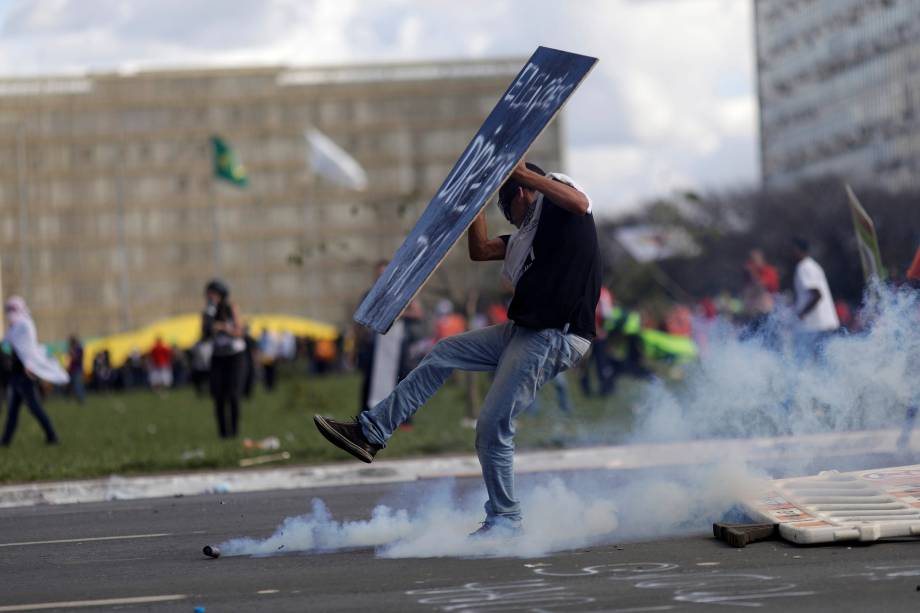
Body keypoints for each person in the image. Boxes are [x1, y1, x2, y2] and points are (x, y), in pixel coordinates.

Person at [314, 160, 599, 535]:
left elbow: (579, 203)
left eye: (504, 206)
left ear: (523, 193)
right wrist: (476, 203)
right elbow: (480, 250)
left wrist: (518, 172)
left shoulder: (560, 207)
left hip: (554, 336)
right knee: (444, 352)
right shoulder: (524, 239)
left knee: (492, 426)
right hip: (523, 331)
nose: (508, 218)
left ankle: (506, 521)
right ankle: (372, 432)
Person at [1, 296, 68, 446]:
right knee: (12, 411)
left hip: (25, 374)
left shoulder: (25, 325)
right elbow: (8, 345)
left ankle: (52, 436)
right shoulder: (13, 328)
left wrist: (30, 365)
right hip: (16, 374)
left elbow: (28, 349)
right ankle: (5, 441)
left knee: (35, 408)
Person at [202, 279, 246, 438]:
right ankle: (223, 434)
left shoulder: (230, 308)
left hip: (235, 357)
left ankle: (234, 432)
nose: (208, 297)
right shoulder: (208, 312)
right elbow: (205, 334)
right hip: (218, 357)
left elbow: (239, 331)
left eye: (211, 293)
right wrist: (209, 318)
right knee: (218, 396)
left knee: (233, 395)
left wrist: (223, 327)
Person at [791, 237, 839, 360]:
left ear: (798, 250)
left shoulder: (804, 267)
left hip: (816, 325)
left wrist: (802, 313)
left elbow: (817, 295)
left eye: (793, 249)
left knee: (813, 361)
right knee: (823, 362)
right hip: (824, 323)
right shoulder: (813, 265)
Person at [67, 335, 85, 403]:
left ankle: (81, 399)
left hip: (77, 369)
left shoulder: (79, 349)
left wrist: (72, 352)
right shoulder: (74, 348)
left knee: (78, 384)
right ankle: (73, 398)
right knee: (72, 385)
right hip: (72, 369)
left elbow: (76, 358)